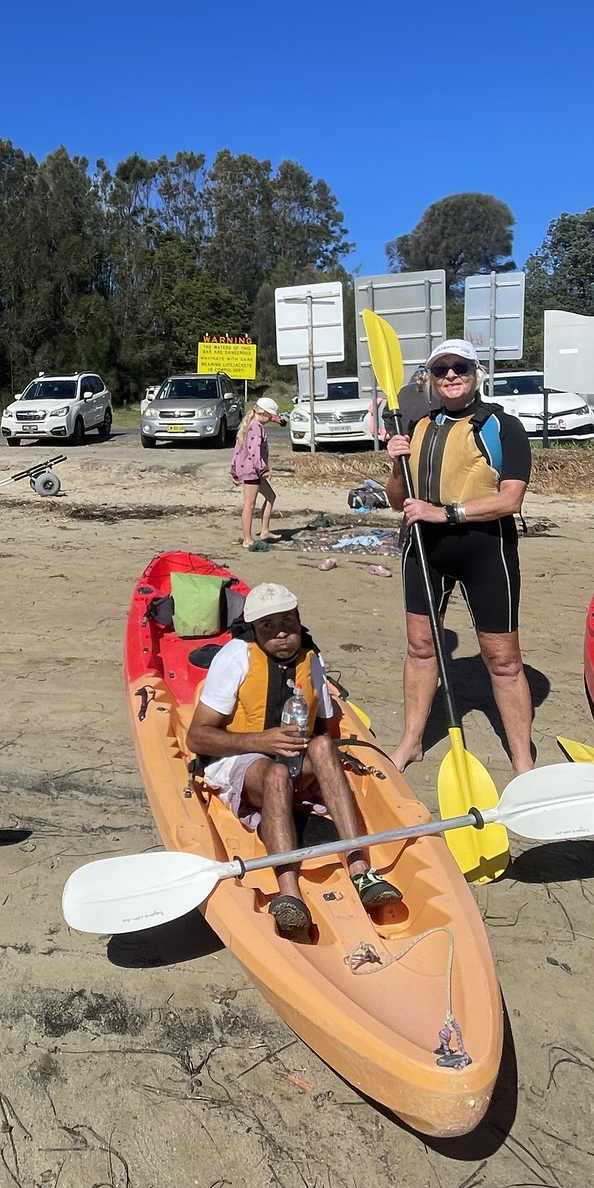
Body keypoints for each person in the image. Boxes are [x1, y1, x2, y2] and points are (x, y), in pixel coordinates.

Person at [185, 583, 403, 939]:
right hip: (239, 759)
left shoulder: (311, 658)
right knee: (274, 774)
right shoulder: (236, 657)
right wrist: (261, 740)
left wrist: (315, 758)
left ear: (299, 621)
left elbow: (325, 726)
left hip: (292, 758)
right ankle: (289, 892)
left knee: (323, 747)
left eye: (287, 621)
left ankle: (361, 869)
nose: (281, 632)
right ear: (253, 629)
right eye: (268, 626)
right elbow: (196, 736)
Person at [384, 337, 535, 775]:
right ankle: (412, 742)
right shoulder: (418, 426)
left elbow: (510, 501)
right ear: (431, 379)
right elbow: (399, 501)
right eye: (441, 369)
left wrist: (445, 513)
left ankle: (522, 759)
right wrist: (396, 466)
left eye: (460, 368)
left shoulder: (503, 426)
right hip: (424, 550)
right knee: (420, 647)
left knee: (503, 660)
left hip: (486, 551)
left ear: (475, 374)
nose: (450, 375)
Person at [231, 395, 281, 551]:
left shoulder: (249, 424)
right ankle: (247, 539)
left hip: (252, 469)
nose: (270, 420)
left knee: (271, 496)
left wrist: (233, 470)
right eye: (270, 417)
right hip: (252, 471)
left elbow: (237, 450)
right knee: (249, 504)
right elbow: (253, 451)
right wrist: (263, 469)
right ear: (264, 414)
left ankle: (264, 531)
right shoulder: (256, 427)